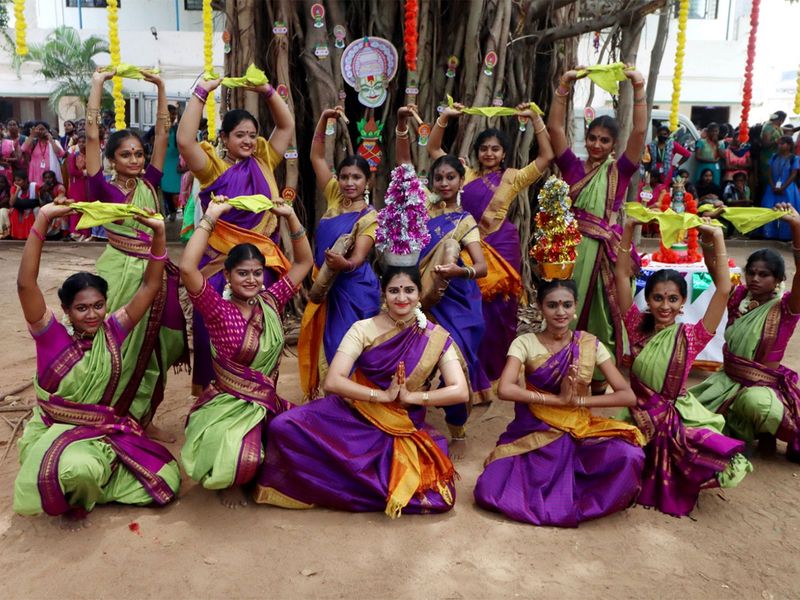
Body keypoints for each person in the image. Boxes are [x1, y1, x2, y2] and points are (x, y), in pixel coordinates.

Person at [13, 199, 180, 527]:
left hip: (98, 435)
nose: (92, 315)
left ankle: (92, 482)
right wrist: (43, 220)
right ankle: (75, 489)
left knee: (167, 479)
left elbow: (150, 285)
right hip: (52, 433)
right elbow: (25, 285)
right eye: (82, 308)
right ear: (67, 309)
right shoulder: (51, 335)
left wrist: (159, 235)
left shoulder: (113, 331)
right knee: (79, 470)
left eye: (98, 305)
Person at [256, 265, 468, 517]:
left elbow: (459, 391)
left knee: (439, 496)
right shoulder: (363, 328)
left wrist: (412, 397)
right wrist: (382, 396)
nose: (402, 298)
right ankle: (344, 488)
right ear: (383, 294)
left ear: (420, 293)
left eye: (409, 290)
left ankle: (346, 489)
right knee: (282, 427)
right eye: (394, 290)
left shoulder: (436, 337)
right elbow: (333, 381)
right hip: (352, 412)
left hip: (399, 424)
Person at [474, 278, 645, 527]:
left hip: (577, 431)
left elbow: (626, 395)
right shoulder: (525, 343)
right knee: (489, 490)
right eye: (552, 305)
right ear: (540, 307)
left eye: (566, 304)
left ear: (575, 306)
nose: (560, 312)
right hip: (533, 432)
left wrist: (578, 400)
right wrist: (554, 399)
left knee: (629, 455)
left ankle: (577, 495)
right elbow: (506, 388)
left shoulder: (589, 344)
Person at [179, 196, 312, 508]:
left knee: (310, 439)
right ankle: (232, 479)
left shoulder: (272, 300)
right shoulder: (216, 309)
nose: (252, 280)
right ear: (227, 276)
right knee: (233, 453)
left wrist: (291, 217)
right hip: (226, 406)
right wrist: (210, 217)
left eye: (257, 273)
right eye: (243, 273)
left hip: (266, 403)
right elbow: (187, 267)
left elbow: (304, 263)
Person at [614, 218, 751, 517]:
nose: (665, 306)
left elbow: (724, 290)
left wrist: (716, 236)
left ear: (683, 302)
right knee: (610, 453)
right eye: (658, 298)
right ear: (647, 300)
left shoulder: (691, 335)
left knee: (717, 458)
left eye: (673, 299)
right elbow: (622, 275)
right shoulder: (636, 326)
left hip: (675, 413)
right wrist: (628, 227)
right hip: (637, 411)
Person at [177, 73, 294, 395]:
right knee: (210, 335)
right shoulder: (213, 166)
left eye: (253, 135)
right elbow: (184, 141)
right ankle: (211, 400)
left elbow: (285, 127)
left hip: (261, 266)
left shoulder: (264, 159)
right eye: (240, 135)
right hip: (220, 267)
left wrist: (267, 91)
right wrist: (202, 91)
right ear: (224, 138)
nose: (248, 141)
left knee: (264, 330)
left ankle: (260, 395)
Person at [86, 68, 187, 439]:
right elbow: (92, 134)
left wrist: (161, 87)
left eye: (138, 153)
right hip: (118, 273)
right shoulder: (100, 186)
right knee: (116, 347)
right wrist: (98, 85)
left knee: (154, 346)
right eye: (125, 154)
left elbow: (163, 133)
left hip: (153, 274)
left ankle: (143, 418)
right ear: (111, 159)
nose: (134, 159)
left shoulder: (151, 182)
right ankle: (107, 415)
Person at [429, 102, 554, 398]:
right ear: (477, 151)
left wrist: (536, 118)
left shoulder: (513, 177)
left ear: (504, 153)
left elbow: (547, 155)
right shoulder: (464, 175)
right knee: (471, 315)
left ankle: (495, 376)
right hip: (468, 249)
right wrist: (444, 117)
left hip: (503, 249)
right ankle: (470, 376)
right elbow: (434, 149)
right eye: (484, 148)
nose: (489, 153)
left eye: (495, 149)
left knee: (499, 314)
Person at [396, 104, 489, 455]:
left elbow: (481, 268)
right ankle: (410, 421)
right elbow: (404, 169)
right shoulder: (420, 210)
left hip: (460, 301)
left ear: (460, 181)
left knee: (459, 362)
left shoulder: (465, 221)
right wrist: (403, 126)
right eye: (439, 178)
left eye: (451, 177)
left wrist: (455, 271)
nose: (445, 183)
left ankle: (458, 430)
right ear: (432, 181)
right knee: (415, 358)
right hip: (420, 296)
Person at [547, 67, 647, 375]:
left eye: (604, 140)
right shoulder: (572, 168)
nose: (596, 145)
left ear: (614, 145)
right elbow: (554, 129)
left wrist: (639, 88)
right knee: (567, 305)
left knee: (604, 313)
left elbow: (640, 133)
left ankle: (600, 374)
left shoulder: (620, 171)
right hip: (573, 251)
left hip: (607, 253)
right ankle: (564, 366)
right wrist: (563, 86)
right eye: (592, 138)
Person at [691, 207, 800, 461]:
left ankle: (761, 429)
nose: (755, 278)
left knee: (755, 404)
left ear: (778, 279)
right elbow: (714, 267)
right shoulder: (737, 295)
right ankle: (739, 430)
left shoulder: (787, 307)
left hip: (761, 386)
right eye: (751, 272)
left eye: (764, 275)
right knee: (686, 414)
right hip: (726, 379)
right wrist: (707, 232)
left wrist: (796, 227)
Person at [298, 107, 381, 401]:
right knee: (329, 342)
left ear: (367, 182)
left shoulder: (370, 216)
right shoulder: (334, 197)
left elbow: (358, 258)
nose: (349, 182)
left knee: (352, 344)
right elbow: (316, 158)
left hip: (354, 289)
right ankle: (337, 401)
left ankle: (359, 400)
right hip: (328, 285)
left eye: (356, 177)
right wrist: (323, 119)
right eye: (345, 176)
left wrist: (341, 263)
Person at [760, 137, 799, 240]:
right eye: (779, 144)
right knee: (769, 207)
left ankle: (787, 236)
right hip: (772, 188)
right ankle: (770, 234)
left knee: (787, 210)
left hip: (788, 188)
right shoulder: (773, 157)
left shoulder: (794, 158)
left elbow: (793, 174)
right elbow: (769, 173)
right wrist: (772, 185)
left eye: (783, 144)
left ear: (789, 145)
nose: (780, 146)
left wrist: (783, 187)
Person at [643, 123, 691, 200]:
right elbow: (646, 160)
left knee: (664, 189)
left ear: (668, 135)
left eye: (665, 134)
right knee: (653, 189)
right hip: (654, 172)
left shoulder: (672, 145)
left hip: (667, 171)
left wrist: (677, 164)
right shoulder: (651, 146)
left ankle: (663, 204)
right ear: (657, 134)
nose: (663, 136)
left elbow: (687, 154)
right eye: (660, 134)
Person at [21, 121, 65, 187]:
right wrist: (32, 135)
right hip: (36, 172)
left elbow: (61, 154)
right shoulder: (33, 142)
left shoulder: (54, 141)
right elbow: (23, 149)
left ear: (47, 130)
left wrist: (51, 140)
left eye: (42, 129)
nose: (40, 131)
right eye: (38, 129)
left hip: (50, 174)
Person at [65, 131, 91, 240]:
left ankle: (86, 232)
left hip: (89, 183)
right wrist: (84, 173)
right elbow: (71, 171)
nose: (81, 144)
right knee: (77, 206)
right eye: (80, 142)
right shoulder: (73, 155)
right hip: (77, 184)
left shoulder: (92, 155)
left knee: (87, 207)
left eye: (84, 142)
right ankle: (75, 232)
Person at [160, 104, 182, 221]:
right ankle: (170, 212)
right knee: (165, 190)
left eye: (174, 114)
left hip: (176, 164)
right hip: (164, 165)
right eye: (170, 114)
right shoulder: (157, 129)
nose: (172, 116)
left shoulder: (178, 129)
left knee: (180, 190)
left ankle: (181, 213)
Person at [759, 112, 787, 201]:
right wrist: (776, 141)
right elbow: (765, 144)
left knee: (775, 181)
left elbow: (791, 130)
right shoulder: (768, 127)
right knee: (767, 181)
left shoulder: (778, 127)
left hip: (776, 158)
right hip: (767, 159)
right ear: (780, 119)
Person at [38, 170, 68, 239]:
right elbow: (41, 203)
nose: (47, 180)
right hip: (47, 208)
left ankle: (64, 235)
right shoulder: (42, 188)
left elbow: (60, 200)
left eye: (50, 177)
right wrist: (43, 192)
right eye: (45, 178)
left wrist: (50, 192)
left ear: (54, 178)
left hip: (59, 206)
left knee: (61, 215)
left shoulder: (60, 187)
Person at [9, 170, 37, 240]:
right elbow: (11, 203)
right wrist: (17, 190)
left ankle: (31, 236)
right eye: (15, 181)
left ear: (25, 180)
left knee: (29, 213)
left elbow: (39, 200)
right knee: (14, 212)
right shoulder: (14, 188)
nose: (16, 182)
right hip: (19, 207)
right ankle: (16, 236)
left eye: (19, 180)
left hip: (32, 207)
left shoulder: (34, 186)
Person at [694, 122, 725, 188]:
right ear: (708, 132)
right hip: (703, 167)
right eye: (712, 131)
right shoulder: (701, 142)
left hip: (715, 168)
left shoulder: (721, 143)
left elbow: (723, 156)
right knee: (701, 186)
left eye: (716, 131)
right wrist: (711, 161)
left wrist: (717, 143)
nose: (714, 133)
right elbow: (697, 156)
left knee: (715, 186)